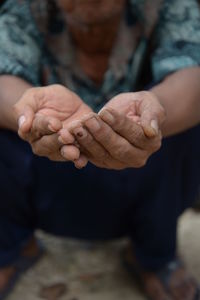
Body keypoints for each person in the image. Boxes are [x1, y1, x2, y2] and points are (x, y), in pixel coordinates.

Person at [0, 0, 200, 299]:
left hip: (146, 179)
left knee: (183, 121)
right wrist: (30, 108)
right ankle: (10, 247)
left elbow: (192, 77)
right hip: (49, 175)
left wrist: (155, 114)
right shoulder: (26, 7)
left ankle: (154, 256)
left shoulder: (167, 5)